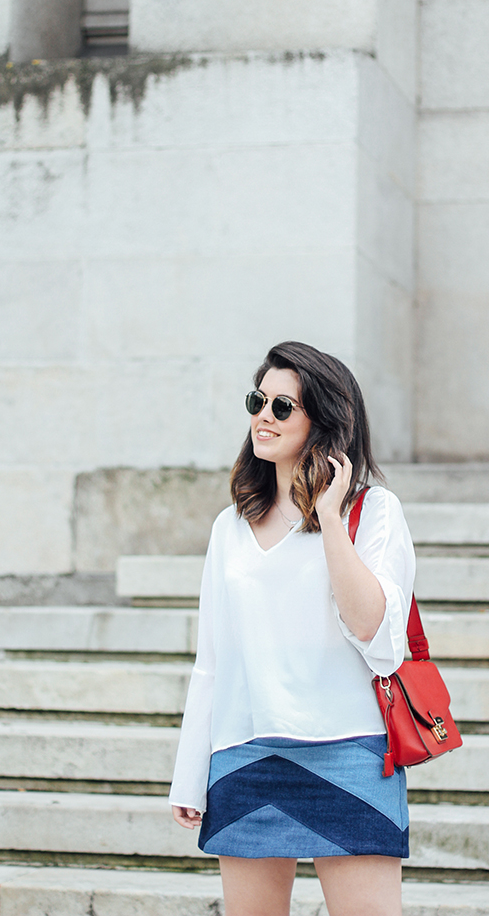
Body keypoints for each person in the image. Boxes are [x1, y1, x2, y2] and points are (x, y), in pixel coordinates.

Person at [169, 341, 415, 916]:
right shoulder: (229, 527)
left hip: (351, 751)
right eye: (259, 400)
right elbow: (211, 661)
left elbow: (379, 641)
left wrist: (329, 517)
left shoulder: (373, 512)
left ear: (324, 421)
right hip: (244, 753)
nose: (263, 416)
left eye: (284, 407)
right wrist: (189, 774)